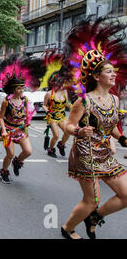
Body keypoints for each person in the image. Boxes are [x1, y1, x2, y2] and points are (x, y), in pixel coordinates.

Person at [60, 18, 127, 240]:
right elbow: (67, 125)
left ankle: (94, 217)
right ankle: (68, 228)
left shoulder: (116, 100)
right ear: (97, 77)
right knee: (92, 200)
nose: (114, 75)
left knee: (126, 195)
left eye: (114, 71)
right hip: (85, 153)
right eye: (109, 72)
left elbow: (111, 128)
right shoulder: (84, 102)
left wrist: (123, 138)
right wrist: (78, 131)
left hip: (104, 153)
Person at [0, 55, 45, 184]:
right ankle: (4, 171)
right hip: (8, 130)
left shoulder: (25, 100)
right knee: (10, 153)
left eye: (23, 88)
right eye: (19, 88)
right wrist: (3, 131)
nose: (22, 90)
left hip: (20, 130)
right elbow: (1, 118)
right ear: (13, 89)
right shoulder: (6, 101)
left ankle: (17, 162)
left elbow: (26, 116)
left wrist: (26, 124)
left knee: (28, 151)